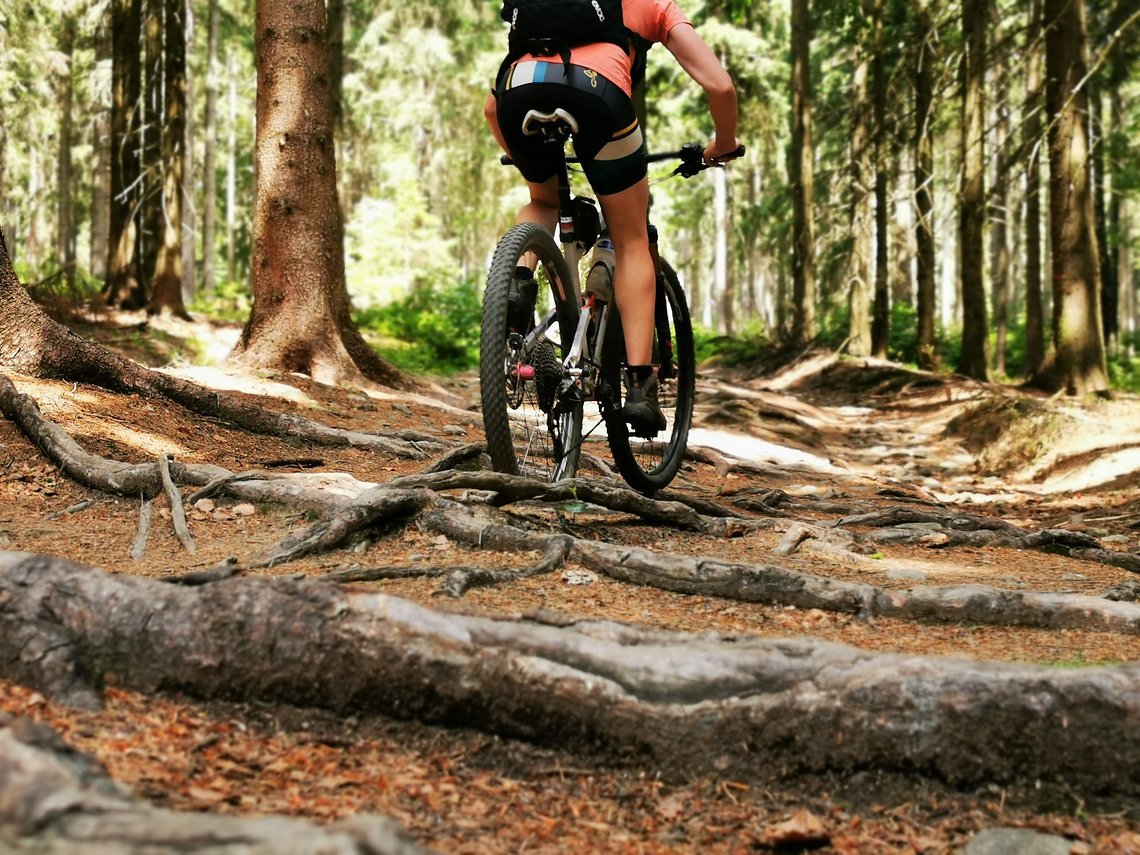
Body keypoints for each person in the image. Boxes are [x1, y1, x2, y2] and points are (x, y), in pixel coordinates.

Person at [484, 0, 739, 436]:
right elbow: (721, 88)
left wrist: (518, 153)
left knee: (543, 201)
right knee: (631, 237)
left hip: (516, 93)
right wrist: (723, 144)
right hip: (597, 97)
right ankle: (640, 385)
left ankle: (513, 299)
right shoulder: (652, 5)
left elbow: (492, 110)